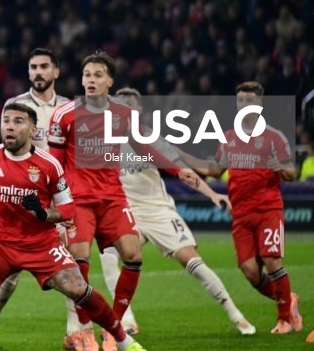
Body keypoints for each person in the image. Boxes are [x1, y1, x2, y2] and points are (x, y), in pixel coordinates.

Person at [0, 103, 148, 351]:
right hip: (1, 243)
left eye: (18, 121)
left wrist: (43, 213)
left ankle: (122, 341)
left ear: (33, 130)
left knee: (78, 288)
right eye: (6, 121)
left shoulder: (49, 165)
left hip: (42, 245)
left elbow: (68, 210)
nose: (10, 126)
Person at [46, 52, 200, 350]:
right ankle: (85, 330)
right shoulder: (64, 115)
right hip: (79, 200)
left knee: (133, 255)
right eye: (87, 74)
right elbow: (54, 165)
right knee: (79, 261)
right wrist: (55, 205)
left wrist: (177, 170)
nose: (91, 80)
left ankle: (114, 329)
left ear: (110, 81)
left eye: (98, 75)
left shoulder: (123, 113)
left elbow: (144, 148)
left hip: (113, 198)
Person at [91, 87, 255, 350]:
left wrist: (213, 194)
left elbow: (181, 170)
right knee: (108, 255)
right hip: (125, 212)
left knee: (192, 261)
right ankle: (125, 322)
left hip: (158, 211)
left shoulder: (149, 139)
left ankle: (236, 315)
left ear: (139, 109)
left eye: (131, 104)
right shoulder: (103, 141)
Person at [178, 81, 303, 335]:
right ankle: (288, 299)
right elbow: (215, 170)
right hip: (241, 214)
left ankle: (285, 320)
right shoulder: (229, 137)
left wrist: (280, 166)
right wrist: (180, 155)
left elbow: (292, 172)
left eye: (250, 101)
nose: (244, 105)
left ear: (260, 104)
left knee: (272, 261)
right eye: (241, 101)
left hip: (268, 210)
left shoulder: (273, 137)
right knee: (250, 272)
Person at [0, 48, 68, 350]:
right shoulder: (17, 106)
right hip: (22, 198)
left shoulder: (67, 108)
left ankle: (77, 332)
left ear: (56, 71)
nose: (38, 72)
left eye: (44, 66)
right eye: (33, 67)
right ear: (28, 72)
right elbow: (7, 150)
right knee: (9, 274)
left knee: (74, 264)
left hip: (57, 195)